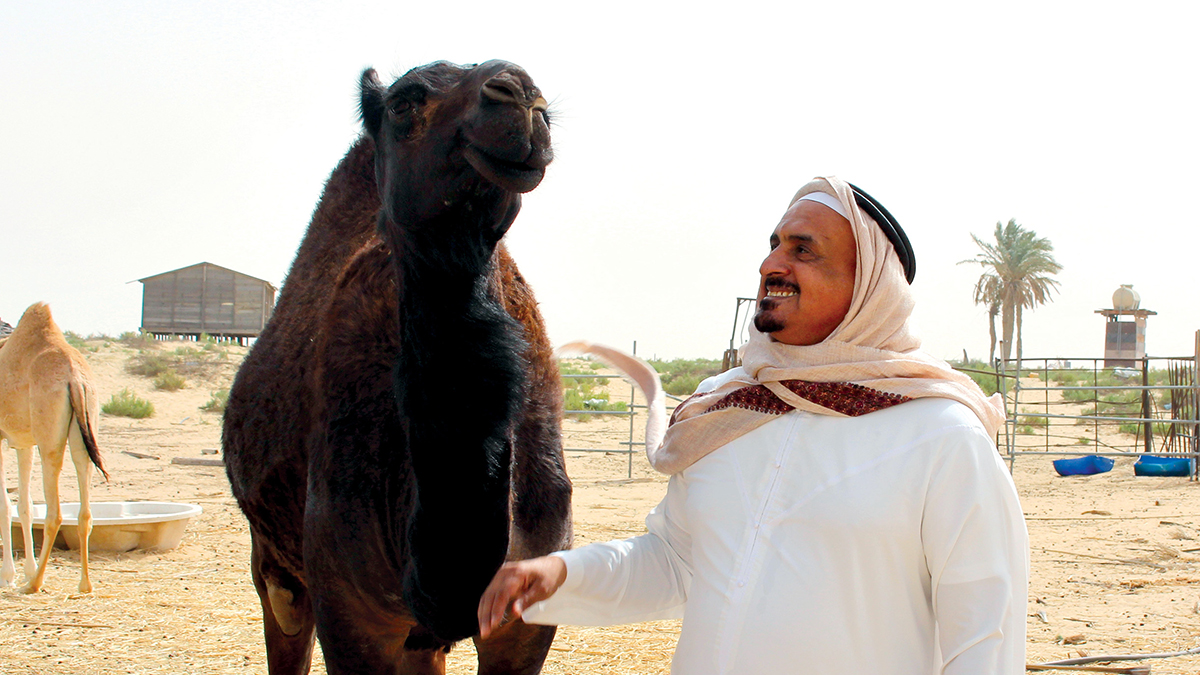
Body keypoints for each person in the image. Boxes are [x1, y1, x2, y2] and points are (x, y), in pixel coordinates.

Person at [478, 176, 1029, 674]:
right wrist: (560, 576)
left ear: (869, 288)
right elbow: (676, 564)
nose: (772, 265)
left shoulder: (940, 435)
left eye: (803, 250)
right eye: (774, 245)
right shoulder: (728, 414)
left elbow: (985, 636)